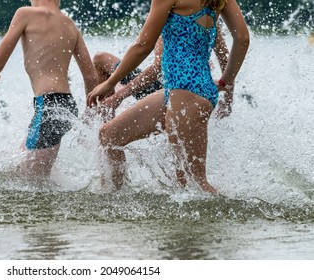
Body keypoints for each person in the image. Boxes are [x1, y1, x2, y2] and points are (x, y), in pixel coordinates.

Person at [87, 0, 250, 193]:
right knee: (109, 136)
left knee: (192, 182)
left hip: (186, 94)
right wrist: (226, 82)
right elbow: (242, 38)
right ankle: (114, 198)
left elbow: (143, 45)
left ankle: (230, 216)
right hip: (183, 91)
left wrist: (110, 82)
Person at [0, 0, 98, 177]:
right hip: (66, 106)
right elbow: (90, 76)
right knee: (21, 167)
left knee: (30, 181)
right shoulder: (69, 24)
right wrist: (90, 113)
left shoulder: (25, 14)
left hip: (48, 107)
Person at [92, 27, 233, 119]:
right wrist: (227, 100)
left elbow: (156, 69)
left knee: (109, 135)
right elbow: (226, 60)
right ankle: (101, 116)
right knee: (100, 58)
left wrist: (119, 96)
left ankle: (106, 117)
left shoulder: (171, 12)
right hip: (169, 83)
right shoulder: (210, 12)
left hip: (168, 90)